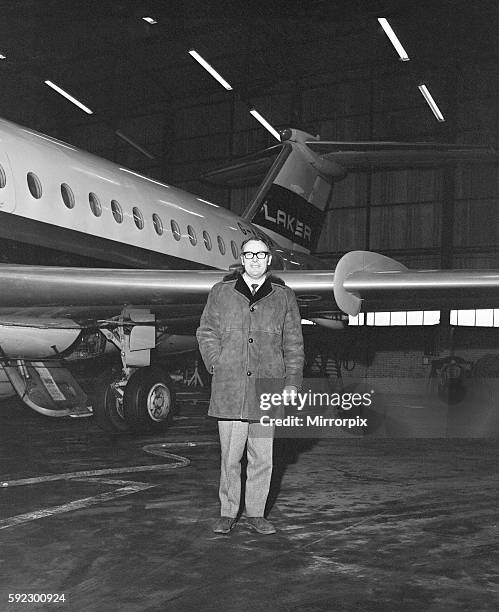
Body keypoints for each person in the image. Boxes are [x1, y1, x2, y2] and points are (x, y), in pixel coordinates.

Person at [196, 236, 304, 535]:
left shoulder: (284, 297)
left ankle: (256, 513)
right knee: (230, 457)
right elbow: (206, 332)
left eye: (261, 254)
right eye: (249, 254)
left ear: (269, 259)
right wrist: (217, 363)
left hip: (267, 385)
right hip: (230, 386)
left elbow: (293, 344)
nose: (255, 258)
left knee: (262, 457)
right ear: (241, 259)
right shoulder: (221, 293)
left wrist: (292, 382)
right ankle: (228, 512)